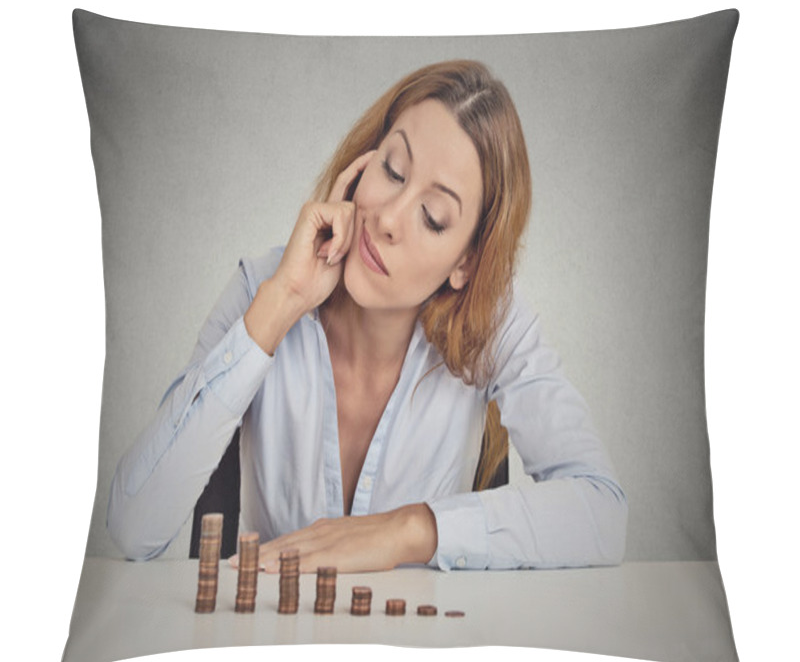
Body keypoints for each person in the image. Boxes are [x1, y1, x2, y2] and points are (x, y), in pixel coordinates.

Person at [108, 60, 627, 572]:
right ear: (365, 163)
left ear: (466, 262)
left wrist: (407, 531)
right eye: (393, 170)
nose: (388, 219)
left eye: (433, 217)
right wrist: (284, 299)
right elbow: (133, 528)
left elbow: (603, 514)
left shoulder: (494, 324)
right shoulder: (264, 287)